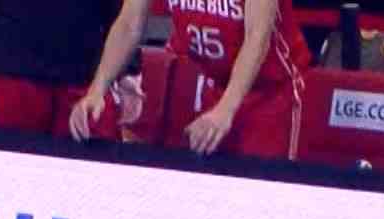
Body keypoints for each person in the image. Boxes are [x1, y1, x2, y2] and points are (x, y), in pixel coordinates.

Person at [72, 0, 310, 159]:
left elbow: (257, 38)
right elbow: (128, 24)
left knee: (260, 194)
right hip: (216, 87)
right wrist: (97, 89)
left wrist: (226, 109)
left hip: (272, 94)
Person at [0, 0, 121, 139]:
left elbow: (123, 12)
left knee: (88, 159)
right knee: (12, 156)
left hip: (84, 70)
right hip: (10, 64)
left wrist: (127, 69)